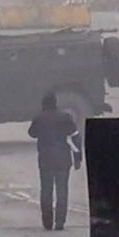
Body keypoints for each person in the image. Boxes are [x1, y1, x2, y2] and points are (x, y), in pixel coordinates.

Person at [27, 93, 82, 230]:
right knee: (62, 189)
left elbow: (31, 133)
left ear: (43, 104)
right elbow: (75, 137)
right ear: (56, 103)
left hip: (45, 158)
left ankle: (47, 222)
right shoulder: (65, 118)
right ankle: (60, 222)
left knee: (46, 190)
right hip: (63, 157)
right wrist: (78, 157)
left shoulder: (39, 118)